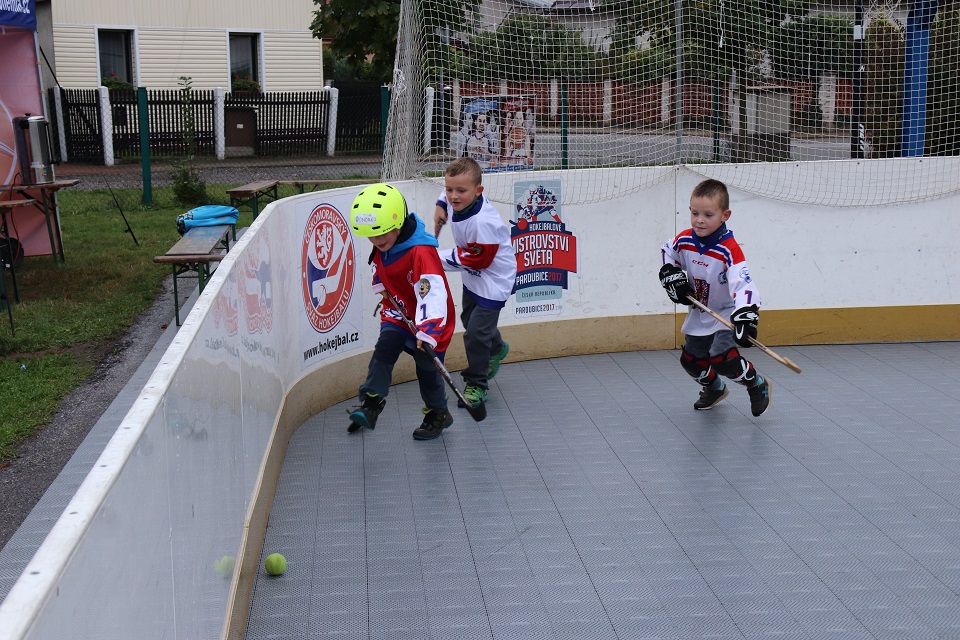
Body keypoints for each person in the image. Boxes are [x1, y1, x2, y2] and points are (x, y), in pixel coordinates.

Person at [348, 183, 457, 440]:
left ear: (397, 223)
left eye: (381, 236)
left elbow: (433, 293)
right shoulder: (385, 241)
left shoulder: (421, 252)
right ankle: (371, 405)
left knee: (426, 368)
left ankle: (438, 413)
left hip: (430, 319)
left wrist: (428, 329)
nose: (376, 242)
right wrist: (380, 286)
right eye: (371, 237)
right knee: (385, 347)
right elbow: (379, 264)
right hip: (398, 311)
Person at [659, 178, 771, 417]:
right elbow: (667, 252)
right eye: (695, 213)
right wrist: (670, 274)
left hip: (725, 314)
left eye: (708, 214)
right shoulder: (685, 240)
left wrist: (746, 315)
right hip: (700, 311)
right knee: (691, 361)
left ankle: (756, 383)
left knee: (722, 359)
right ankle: (715, 388)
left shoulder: (728, 249)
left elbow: (743, 284)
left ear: (725, 215)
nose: (700, 220)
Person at [433, 157, 516, 411]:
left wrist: (433, 258)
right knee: (470, 321)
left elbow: (478, 260)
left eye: (460, 191)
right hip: (473, 277)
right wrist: (440, 204)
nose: (453, 196)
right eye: (449, 190)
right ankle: (498, 348)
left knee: (476, 334)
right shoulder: (460, 195)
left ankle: (477, 385)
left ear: (479, 191)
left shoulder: (483, 223)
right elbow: (453, 189)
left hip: (493, 280)